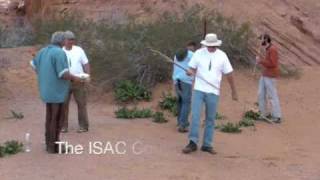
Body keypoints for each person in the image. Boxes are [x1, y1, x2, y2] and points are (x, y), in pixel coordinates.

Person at [182, 33, 238, 154]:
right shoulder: (198, 53)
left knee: (210, 118)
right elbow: (191, 68)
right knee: (195, 116)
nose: (211, 47)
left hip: (213, 91)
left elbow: (229, 74)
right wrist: (189, 72)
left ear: (216, 44)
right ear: (206, 44)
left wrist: (234, 91)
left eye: (213, 46)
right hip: (199, 89)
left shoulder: (222, 56)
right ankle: (192, 142)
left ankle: (207, 144)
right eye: (209, 45)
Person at [31, 31, 83, 154]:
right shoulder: (59, 53)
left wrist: (43, 75)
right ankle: (54, 146)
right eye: (65, 39)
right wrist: (77, 78)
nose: (67, 42)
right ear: (61, 41)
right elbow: (63, 74)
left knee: (49, 117)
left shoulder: (43, 51)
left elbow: (33, 65)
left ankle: (49, 143)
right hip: (57, 92)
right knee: (57, 118)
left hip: (46, 90)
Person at [62, 31, 90, 133]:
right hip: (64, 81)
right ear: (64, 40)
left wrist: (87, 75)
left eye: (72, 39)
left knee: (81, 103)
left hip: (79, 80)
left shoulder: (79, 50)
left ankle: (83, 126)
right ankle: (63, 126)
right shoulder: (60, 51)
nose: (71, 41)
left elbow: (86, 63)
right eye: (69, 39)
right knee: (63, 104)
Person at [256, 34, 282, 123]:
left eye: (261, 40)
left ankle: (277, 116)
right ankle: (264, 113)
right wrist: (261, 61)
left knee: (272, 95)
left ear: (266, 40)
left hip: (271, 76)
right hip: (264, 75)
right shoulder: (267, 49)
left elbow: (273, 64)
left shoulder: (272, 49)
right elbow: (268, 62)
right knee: (260, 93)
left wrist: (260, 61)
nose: (260, 42)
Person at [172, 43, 195, 133]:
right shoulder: (192, 55)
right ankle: (183, 125)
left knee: (180, 102)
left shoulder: (176, 55)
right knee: (186, 103)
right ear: (192, 47)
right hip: (185, 81)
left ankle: (180, 121)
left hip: (176, 80)